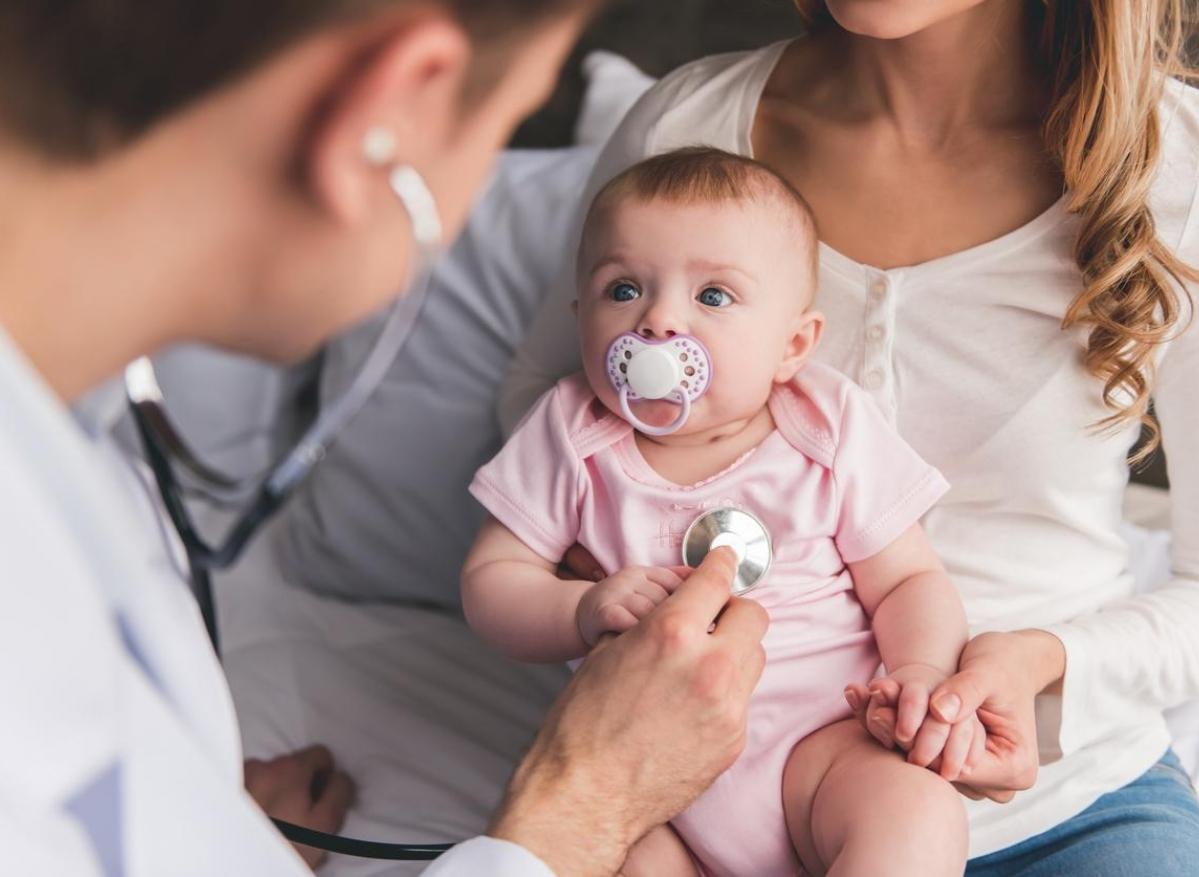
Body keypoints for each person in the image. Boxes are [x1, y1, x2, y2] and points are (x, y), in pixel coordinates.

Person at [0, 2, 771, 875]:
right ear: (384, 119)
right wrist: (584, 800)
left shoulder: (80, 448)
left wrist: (198, 831)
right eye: (506, 124)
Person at [501, 0, 1199, 873]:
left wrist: (1043, 663)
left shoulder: (1177, 170)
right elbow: (542, 405)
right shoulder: (687, 129)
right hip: (688, 797)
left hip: (1063, 805)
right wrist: (609, 603)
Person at [463, 146, 972, 876]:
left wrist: (920, 668)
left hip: (824, 747)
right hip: (644, 780)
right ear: (581, 321)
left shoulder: (825, 427)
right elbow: (492, 579)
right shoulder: (573, 433)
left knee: (916, 811)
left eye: (713, 297)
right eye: (624, 289)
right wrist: (579, 607)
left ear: (792, 345)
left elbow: (906, 581)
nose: (660, 321)